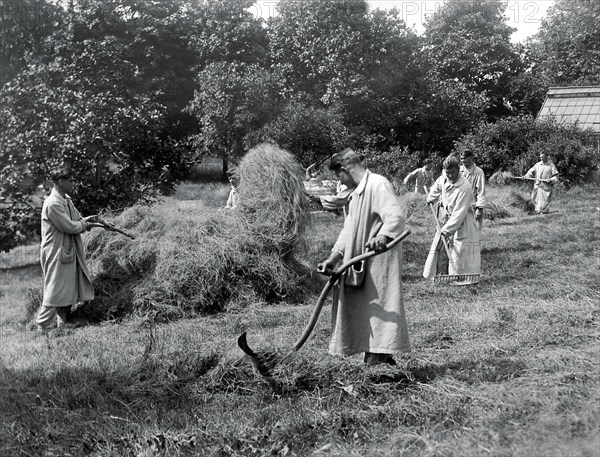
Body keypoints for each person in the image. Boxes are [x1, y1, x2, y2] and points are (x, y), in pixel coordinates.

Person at [317, 148, 410, 365]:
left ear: (344, 169)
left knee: (380, 310)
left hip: (379, 263)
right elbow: (349, 229)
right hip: (359, 263)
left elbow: (395, 216)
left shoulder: (378, 184)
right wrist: (334, 256)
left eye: (337, 176)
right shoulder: (357, 192)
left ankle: (378, 360)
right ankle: (381, 360)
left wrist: (384, 236)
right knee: (366, 312)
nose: (339, 181)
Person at [36, 166, 101, 330]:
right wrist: (85, 225)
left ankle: (62, 324)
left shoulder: (66, 200)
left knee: (67, 288)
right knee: (55, 289)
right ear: (59, 181)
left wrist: (90, 220)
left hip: (67, 250)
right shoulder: (53, 204)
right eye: (70, 180)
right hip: (56, 252)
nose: (74, 183)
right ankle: (42, 325)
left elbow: (77, 219)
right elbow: (70, 227)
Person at [423, 155, 480, 284]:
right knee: (441, 247)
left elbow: (459, 214)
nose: (449, 175)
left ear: (458, 170)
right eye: (447, 172)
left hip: (462, 221)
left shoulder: (464, 187)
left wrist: (447, 230)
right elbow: (437, 186)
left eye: (452, 172)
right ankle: (442, 274)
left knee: (459, 251)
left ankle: (461, 277)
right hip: (445, 217)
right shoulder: (444, 176)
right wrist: (431, 197)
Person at [459, 149, 487, 229]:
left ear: (471, 158)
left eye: (464, 158)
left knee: (474, 230)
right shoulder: (458, 171)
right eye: (461, 159)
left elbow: (481, 191)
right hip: (459, 204)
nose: (463, 161)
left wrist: (479, 208)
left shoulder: (478, 172)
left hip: (472, 205)